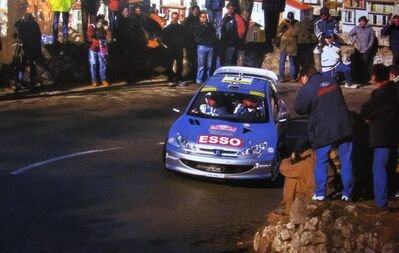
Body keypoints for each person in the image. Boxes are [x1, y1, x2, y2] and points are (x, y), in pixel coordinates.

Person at [294, 66, 354, 201]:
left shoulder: (308, 88)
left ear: (304, 76)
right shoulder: (332, 81)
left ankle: (320, 194)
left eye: (300, 80)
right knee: (346, 161)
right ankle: (347, 194)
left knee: (321, 161)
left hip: (323, 130)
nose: (301, 83)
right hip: (344, 126)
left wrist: (302, 91)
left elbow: (299, 108)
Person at [361, 64, 399, 210]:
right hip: (394, 136)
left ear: (374, 77)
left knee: (379, 169)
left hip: (382, 137)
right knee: (389, 166)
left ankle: (381, 202)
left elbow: (366, 110)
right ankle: (390, 193)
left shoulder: (381, 95)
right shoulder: (394, 91)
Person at [14, 14, 42, 89]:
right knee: (31, 65)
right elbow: (38, 37)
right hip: (30, 48)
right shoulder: (34, 25)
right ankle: (31, 81)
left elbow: (17, 33)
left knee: (22, 65)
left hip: (25, 48)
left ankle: (20, 81)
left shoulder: (23, 25)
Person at [161, 12, 186, 87]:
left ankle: (179, 79)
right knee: (170, 64)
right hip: (171, 49)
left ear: (178, 18)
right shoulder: (167, 28)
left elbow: (184, 38)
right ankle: (171, 79)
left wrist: (182, 44)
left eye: (176, 17)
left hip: (179, 48)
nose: (175, 19)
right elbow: (164, 39)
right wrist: (169, 45)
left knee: (180, 64)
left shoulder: (181, 28)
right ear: (171, 18)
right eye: (173, 17)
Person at [348, 16, 376, 84]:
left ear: (366, 22)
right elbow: (349, 34)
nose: (362, 23)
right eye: (360, 21)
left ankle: (364, 80)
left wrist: (368, 47)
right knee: (357, 65)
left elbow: (372, 39)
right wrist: (354, 41)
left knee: (364, 65)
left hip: (366, 50)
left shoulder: (370, 29)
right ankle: (357, 79)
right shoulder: (356, 28)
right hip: (358, 50)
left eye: (363, 21)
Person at [87, 14, 112, 87]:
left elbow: (109, 40)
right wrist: (95, 40)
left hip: (102, 47)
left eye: (102, 22)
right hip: (93, 48)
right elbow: (89, 37)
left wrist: (108, 31)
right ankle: (94, 80)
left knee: (103, 64)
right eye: (100, 21)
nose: (101, 23)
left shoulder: (105, 28)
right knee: (93, 64)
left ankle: (103, 79)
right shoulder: (92, 26)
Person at [194, 11, 217, 84]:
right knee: (201, 65)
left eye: (206, 17)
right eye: (203, 17)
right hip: (202, 47)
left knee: (209, 66)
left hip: (210, 46)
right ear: (200, 18)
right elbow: (197, 35)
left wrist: (212, 42)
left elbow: (213, 34)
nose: (205, 18)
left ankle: (208, 80)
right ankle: (199, 80)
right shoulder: (197, 26)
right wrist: (203, 26)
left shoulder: (210, 25)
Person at [277, 12, 298, 82]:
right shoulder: (285, 22)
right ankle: (281, 77)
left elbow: (295, 33)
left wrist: (289, 25)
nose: (289, 20)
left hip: (292, 45)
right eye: (289, 18)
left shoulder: (296, 23)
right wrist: (283, 23)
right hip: (283, 45)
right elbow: (278, 30)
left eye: (290, 18)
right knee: (282, 62)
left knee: (292, 62)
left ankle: (292, 77)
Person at [183, 5, 201, 83]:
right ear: (192, 11)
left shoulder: (199, 20)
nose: (196, 12)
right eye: (195, 10)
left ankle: (195, 76)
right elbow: (185, 31)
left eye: (197, 10)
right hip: (189, 43)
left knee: (197, 61)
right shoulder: (187, 20)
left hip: (198, 43)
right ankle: (189, 75)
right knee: (190, 60)